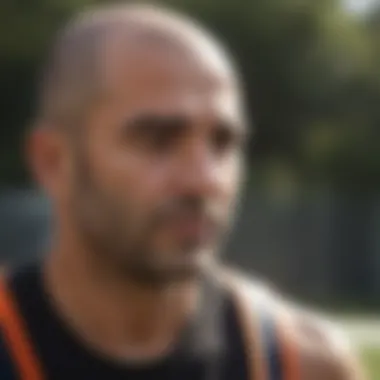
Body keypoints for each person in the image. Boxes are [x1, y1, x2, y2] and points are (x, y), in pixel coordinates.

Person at [0, 3, 366, 380]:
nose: (203, 180)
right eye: (158, 140)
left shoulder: (304, 364)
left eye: (223, 143)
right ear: (53, 161)